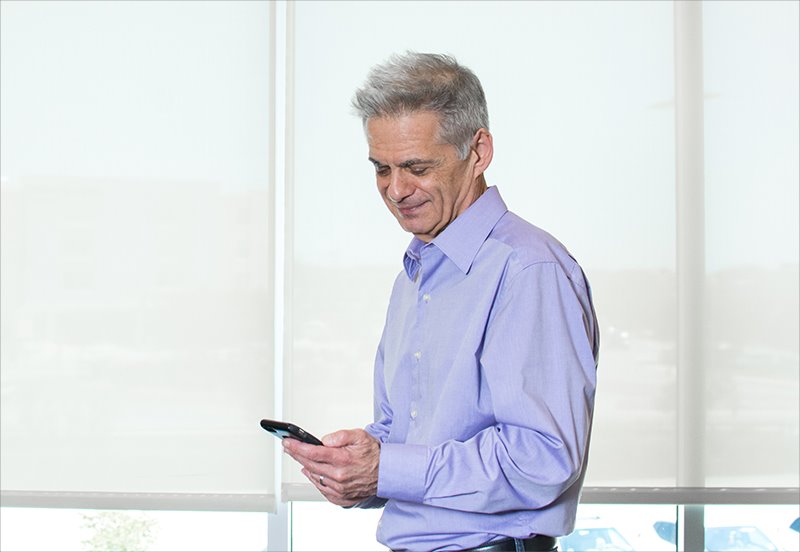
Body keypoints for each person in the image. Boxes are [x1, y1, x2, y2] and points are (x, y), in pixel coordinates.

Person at [283, 52, 599, 552]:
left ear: (478, 152)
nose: (396, 190)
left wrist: (386, 468)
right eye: (381, 169)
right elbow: (408, 436)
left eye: (416, 167)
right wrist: (357, 469)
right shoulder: (416, 273)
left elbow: (543, 459)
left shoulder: (528, 270)